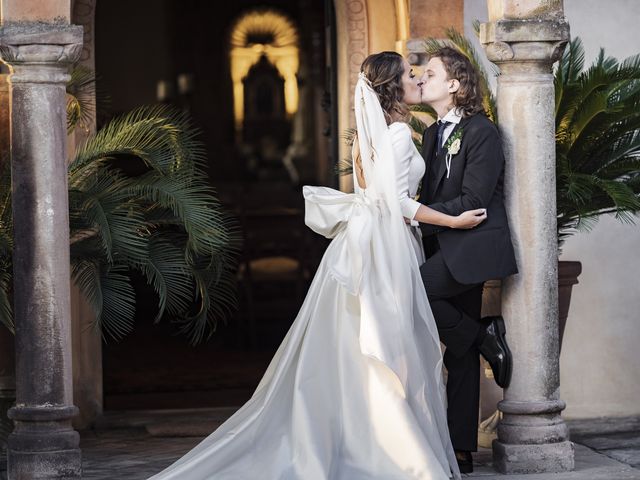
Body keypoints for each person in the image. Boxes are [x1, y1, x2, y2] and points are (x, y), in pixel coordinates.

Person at [148, 51, 485, 480]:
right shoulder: (398, 134)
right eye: (408, 73)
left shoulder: (368, 135)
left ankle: (362, 437)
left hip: (364, 242)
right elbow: (396, 202)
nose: (415, 77)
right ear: (393, 87)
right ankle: (395, 447)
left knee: (357, 342)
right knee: (390, 342)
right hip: (388, 246)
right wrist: (450, 219)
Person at [417, 46, 518, 474]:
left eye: (432, 73)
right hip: (443, 245)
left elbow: (475, 201)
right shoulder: (430, 134)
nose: (422, 79)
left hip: (472, 247)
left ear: (455, 85)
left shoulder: (482, 132)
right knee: (458, 352)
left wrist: (425, 219)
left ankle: (482, 339)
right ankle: (462, 449)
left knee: (415, 290)